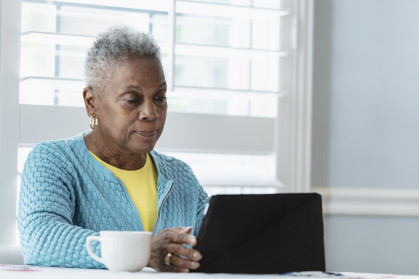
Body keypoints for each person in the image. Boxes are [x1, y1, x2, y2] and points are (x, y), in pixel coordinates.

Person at [18, 25, 208, 273]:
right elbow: (40, 241)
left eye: (159, 97)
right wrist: (144, 252)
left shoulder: (181, 176)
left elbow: (214, 246)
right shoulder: (53, 161)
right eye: (132, 99)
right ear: (92, 102)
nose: (151, 113)